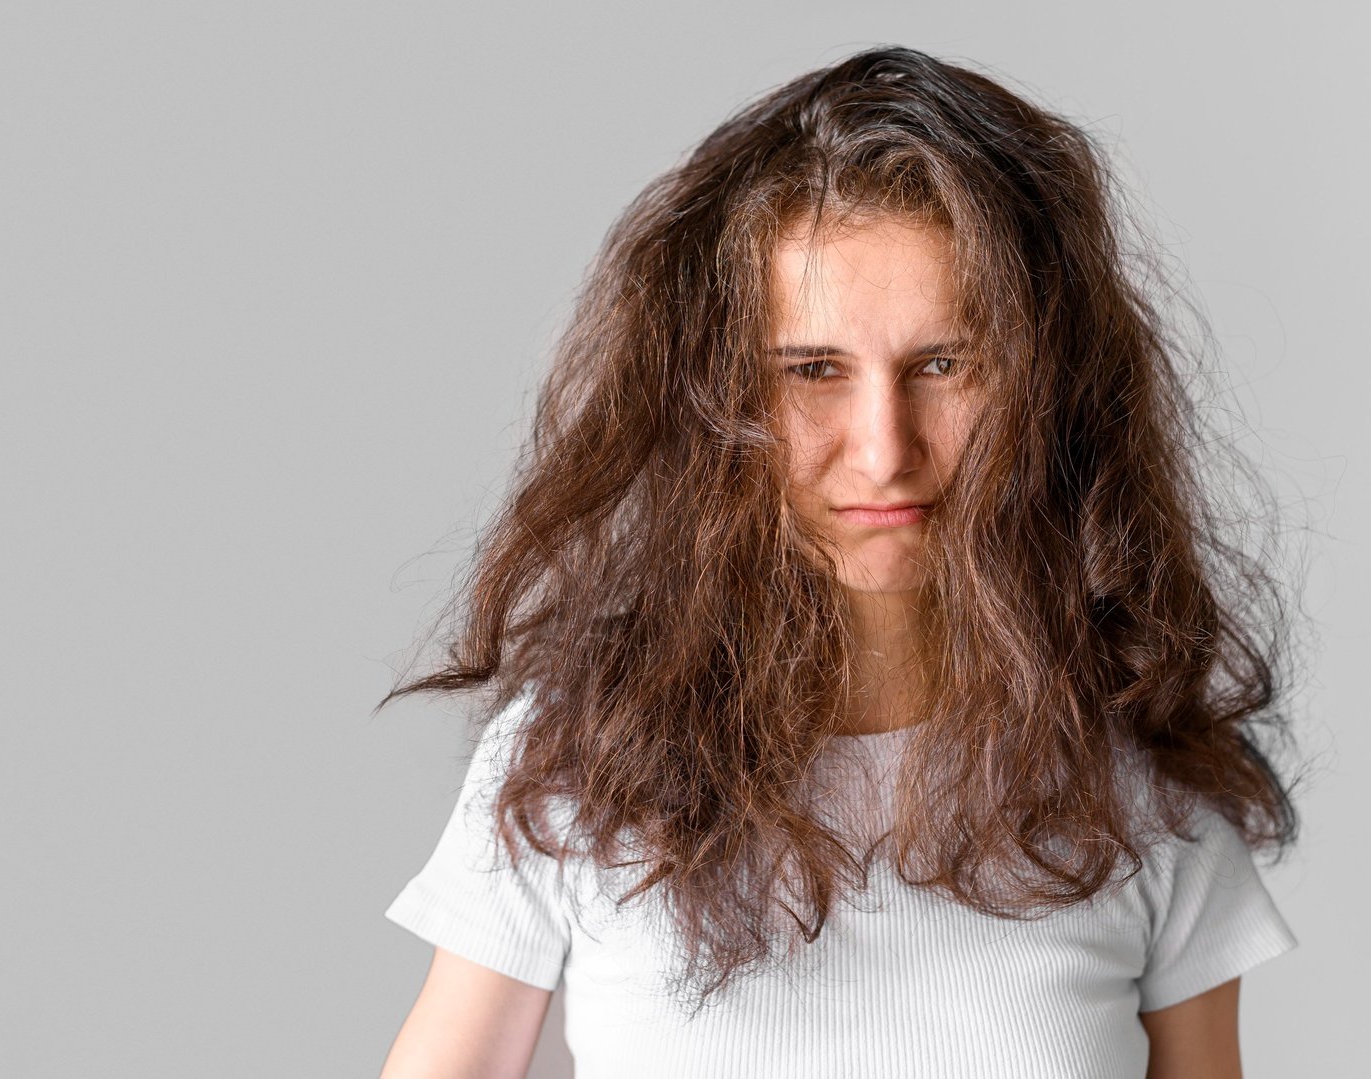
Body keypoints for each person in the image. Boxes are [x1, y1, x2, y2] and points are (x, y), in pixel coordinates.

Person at [374, 45, 1307, 1079]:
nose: (883, 447)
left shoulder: (1151, 796)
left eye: (945, 365)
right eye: (813, 369)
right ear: (717, 398)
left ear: (1049, 390)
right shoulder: (568, 769)